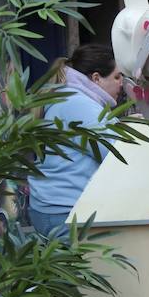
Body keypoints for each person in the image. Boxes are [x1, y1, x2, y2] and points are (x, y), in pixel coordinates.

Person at [28, 44, 125, 239]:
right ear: (96, 78)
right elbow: (115, 154)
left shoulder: (69, 97)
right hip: (65, 213)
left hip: (53, 208)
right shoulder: (78, 103)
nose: (122, 84)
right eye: (117, 77)